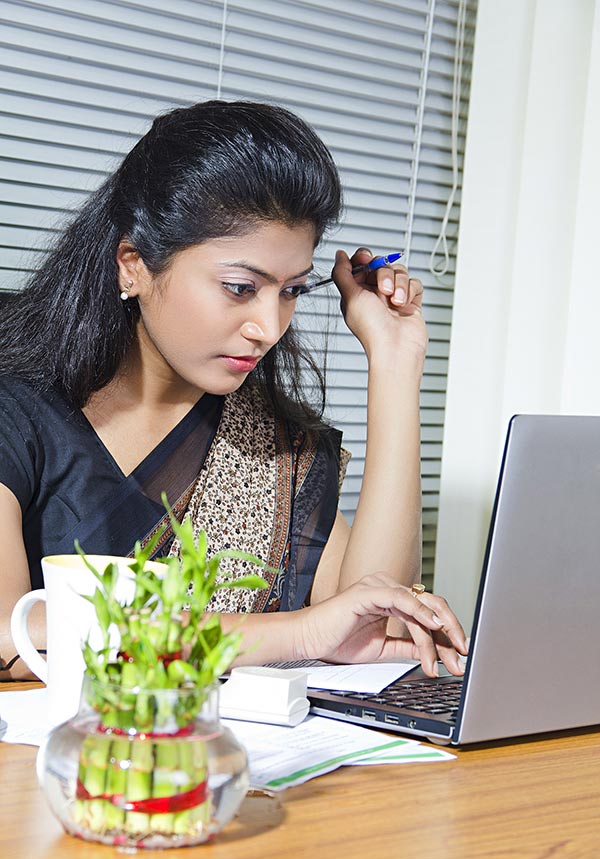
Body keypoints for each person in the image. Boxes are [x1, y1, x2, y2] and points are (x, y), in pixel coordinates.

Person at [0, 100, 467, 681]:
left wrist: (396, 364)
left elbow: (382, 633)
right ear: (133, 264)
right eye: (240, 287)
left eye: (292, 290)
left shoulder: (269, 444)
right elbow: (11, 635)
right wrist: (300, 631)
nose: (269, 328)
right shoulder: (15, 396)